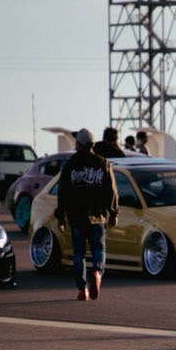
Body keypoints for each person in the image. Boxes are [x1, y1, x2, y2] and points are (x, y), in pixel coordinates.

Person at [55, 128, 119, 301]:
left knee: (79, 254)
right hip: (97, 216)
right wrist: (114, 212)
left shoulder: (70, 164)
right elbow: (111, 190)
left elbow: (63, 192)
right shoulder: (102, 163)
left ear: (79, 144)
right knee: (99, 248)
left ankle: (82, 289)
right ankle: (97, 272)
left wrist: (60, 216)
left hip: (76, 216)